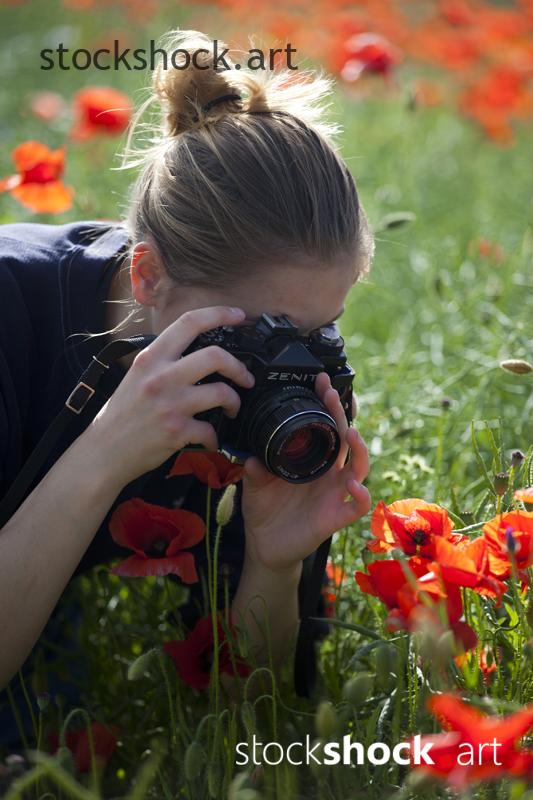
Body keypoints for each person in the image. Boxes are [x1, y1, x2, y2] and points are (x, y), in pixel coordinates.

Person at [0, 29, 373, 748]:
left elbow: (252, 728)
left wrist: (272, 563)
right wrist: (104, 449)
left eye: (320, 330)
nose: (288, 363)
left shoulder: (290, 383)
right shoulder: (13, 314)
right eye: (261, 331)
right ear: (148, 277)